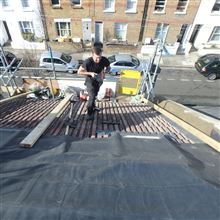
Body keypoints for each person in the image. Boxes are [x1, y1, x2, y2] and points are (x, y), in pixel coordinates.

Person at [77, 46, 110, 120]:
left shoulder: (104, 59)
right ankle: (89, 114)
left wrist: (105, 72)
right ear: (92, 55)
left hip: (99, 80)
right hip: (90, 80)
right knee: (91, 96)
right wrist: (90, 73)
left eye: (100, 57)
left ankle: (93, 106)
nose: (98, 59)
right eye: (96, 58)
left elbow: (108, 67)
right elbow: (79, 72)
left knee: (95, 94)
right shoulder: (87, 62)